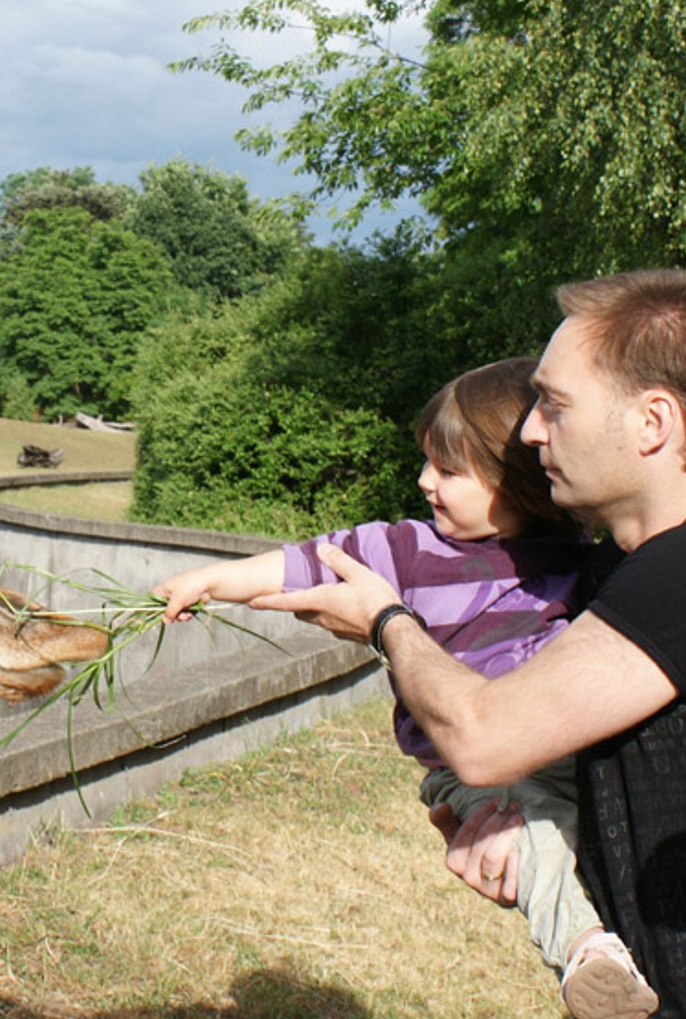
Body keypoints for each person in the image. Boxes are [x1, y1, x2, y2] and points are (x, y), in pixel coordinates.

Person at [248, 270, 686, 1019]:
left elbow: (483, 739)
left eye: (555, 403)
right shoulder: (622, 565)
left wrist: (388, 623)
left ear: (653, 422)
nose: (530, 430)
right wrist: (510, 832)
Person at [154, 358, 659, 1019]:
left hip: (552, 754)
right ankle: (589, 955)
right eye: (426, 464)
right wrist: (212, 581)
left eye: (449, 471)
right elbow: (305, 561)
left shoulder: (580, 554)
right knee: (527, 843)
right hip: (468, 768)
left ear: (522, 481)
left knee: (561, 836)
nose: (425, 483)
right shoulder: (408, 551)